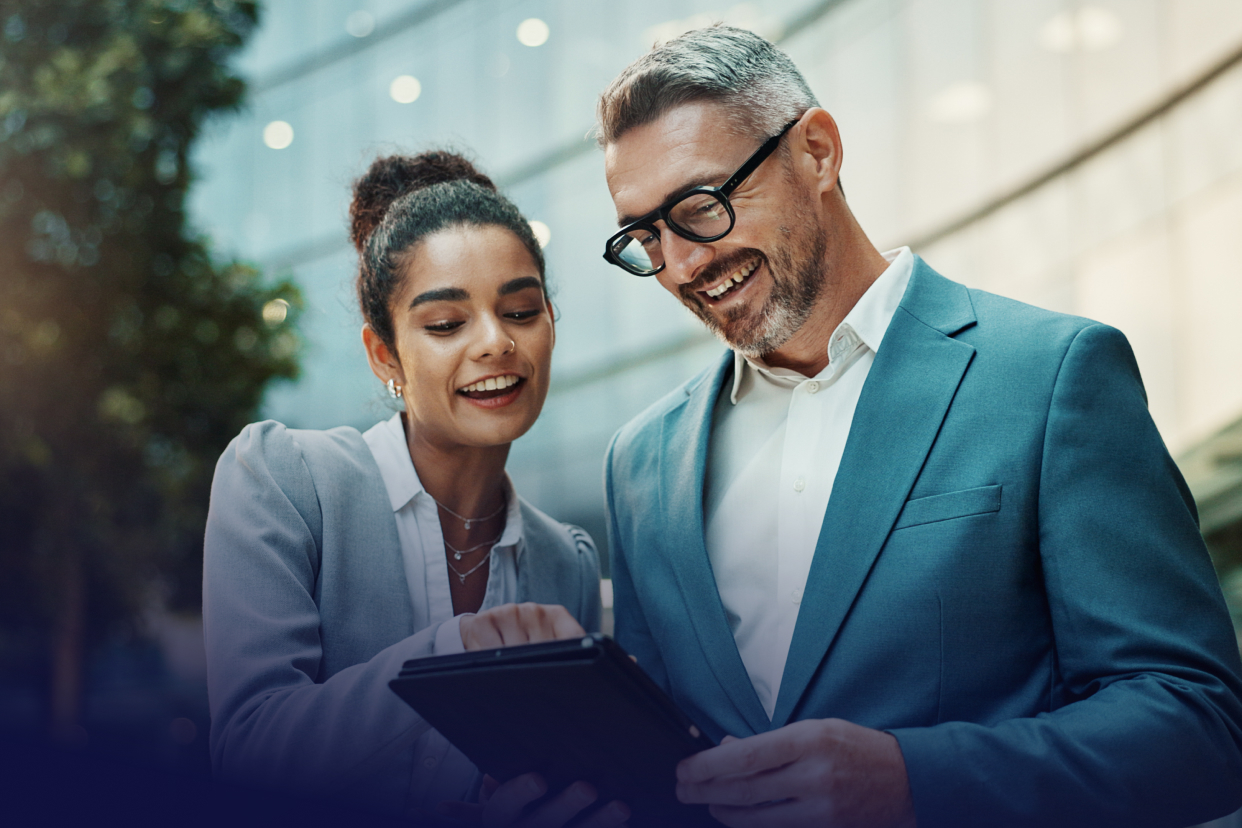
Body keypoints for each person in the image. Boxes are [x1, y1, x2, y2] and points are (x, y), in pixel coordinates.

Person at [596, 25, 1242, 828]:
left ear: (818, 153)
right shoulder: (641, 463)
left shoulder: (1052, 375)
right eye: (645, 237)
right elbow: (664, 765)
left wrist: (916, 780)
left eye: (701, 207)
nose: (684, 264)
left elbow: (1200, 722)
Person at [203, 151, 629, 827]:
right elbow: (250, 749)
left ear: (551, 321)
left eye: (521, 310)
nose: (495, 342)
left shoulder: (566, 563)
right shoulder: (283, 479)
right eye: (446, 324)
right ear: (385, 355)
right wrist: (456, 654)